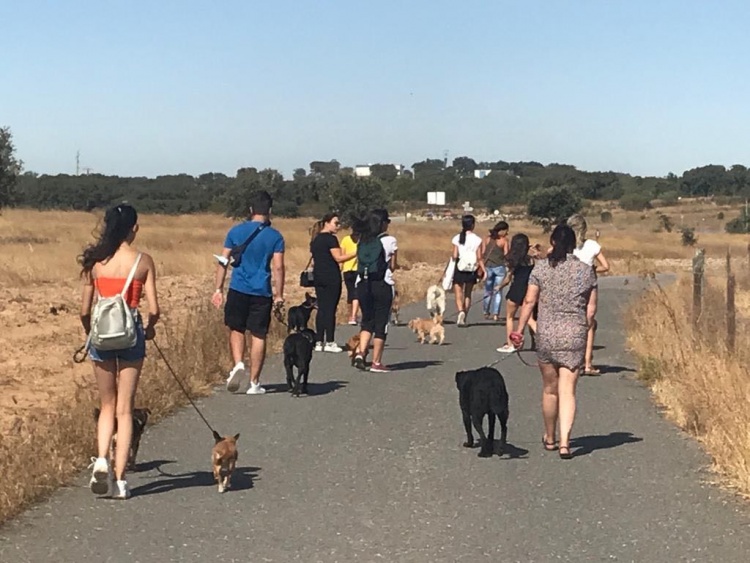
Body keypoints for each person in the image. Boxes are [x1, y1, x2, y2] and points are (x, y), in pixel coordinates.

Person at [78, 204, 160, 500]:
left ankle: (101, 458)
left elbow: (84, 310)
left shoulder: (96, 262)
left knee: (106, 405)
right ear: (134, 228)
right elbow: (155, 309)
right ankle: (121, 479)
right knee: (125, 408)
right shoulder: (143, 261)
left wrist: (90, 333)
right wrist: (149, 329)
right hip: (131, 334)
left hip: (101, 335)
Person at [511, 224, 598, 460]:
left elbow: (529, 302)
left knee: (550, 389)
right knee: (568, 391)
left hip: (547, 333)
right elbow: (591, 310)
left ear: (552, 242)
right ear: (573, 245)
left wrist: (519, 330)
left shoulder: (540, 269)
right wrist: (583, 326)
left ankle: (550, 437)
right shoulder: (586, 271)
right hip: (574, 334)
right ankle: (565, 443)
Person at [212, 190, 285, 395]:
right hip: (262, 291)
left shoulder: (235, 231)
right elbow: (278, 267)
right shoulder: (275, 236)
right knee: (258, 334)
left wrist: (218, 289)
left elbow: (223, 261)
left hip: (238, 287)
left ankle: (238, 363)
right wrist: (279, 294)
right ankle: (254, 383)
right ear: (270, 210)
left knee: (236, 328)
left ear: (251, 209)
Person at [352, 209, 396, 373]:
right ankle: (376, 362)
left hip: (363, 284)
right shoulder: (389, 240)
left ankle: (360, 353)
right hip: (382, 284)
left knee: (367, 320)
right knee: (381, 323)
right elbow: (393, 265)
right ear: (382, 223)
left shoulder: (362, 240)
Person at [567, 214, 610, 376]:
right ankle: (587, 363)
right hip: (588, 287)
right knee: (589, 323)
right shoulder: (592, 245)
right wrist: (591, 270)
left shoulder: (566, 247)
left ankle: (571, 361)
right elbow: (606, 266)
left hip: (569, 286)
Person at [309, 212, 356, 352]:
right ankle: (330, 341)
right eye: (336, 223)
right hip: (331, 277)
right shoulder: (330, 239)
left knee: (322, 309)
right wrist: (357, 252)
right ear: (327, 223)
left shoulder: (316, 239)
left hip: (318, 277)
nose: (338, 226)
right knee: (330, 309)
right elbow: (339, 258)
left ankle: (319, 341)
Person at [497, 233, 538, 353]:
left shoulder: (511, 260)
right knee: (529, 319)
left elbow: (508, 279)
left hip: (516, 290)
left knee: (510, 317)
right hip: (529, 290)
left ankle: (511, 344)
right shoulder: (531, 260)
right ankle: (538, 340)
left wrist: (499, 287)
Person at [451, 214, 486, 327]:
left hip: (460, 267)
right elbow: (479, 257)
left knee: (458, 293)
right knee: (468, 294)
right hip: (471, 269)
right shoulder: (477, 239)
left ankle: (460, 311)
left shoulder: (457, 238)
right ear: (473, 225)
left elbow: (455, 255)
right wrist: (484, 270)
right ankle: (464, 315)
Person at [482, 221, 510, 322]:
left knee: (488, 290)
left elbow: (483, 252)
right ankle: (495, 314)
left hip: (488, 267)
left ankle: (486, 311)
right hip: (500, 267)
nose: (507, 233)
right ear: (502, 230)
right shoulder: (504, 241)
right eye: (506, 230)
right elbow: (507, 255)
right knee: (498, 291)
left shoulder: (487, 239)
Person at [340, 226, 361, 325]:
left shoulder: (345, 240)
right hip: (358, 269)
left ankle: (350, 315)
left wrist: (340, 268)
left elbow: (342, 256)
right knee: (356, 293)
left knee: (350, 293)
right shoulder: (361, 241)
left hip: (347, 269)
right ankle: (353, 316)